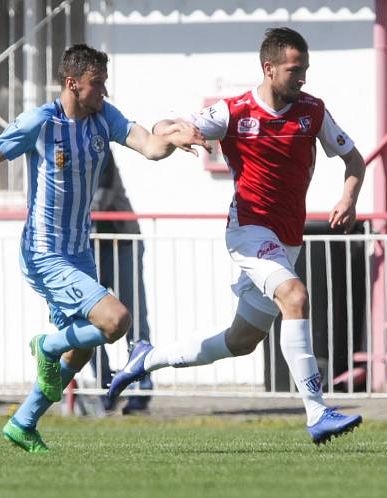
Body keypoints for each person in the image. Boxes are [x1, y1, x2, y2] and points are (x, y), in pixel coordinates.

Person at [107, 27, 366, 445]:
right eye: (294, 70)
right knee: (295, 297)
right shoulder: (234, 112)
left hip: (287, 240)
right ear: (268, 67)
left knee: (241, 340)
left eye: (305, 70)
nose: (302, 79)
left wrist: (348, 197)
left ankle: (146, 358)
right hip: (248, 230)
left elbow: (353, 158)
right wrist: (180, 135)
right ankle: (317, 412)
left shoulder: (313, 111)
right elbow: (163, 126)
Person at [0, 43, 209, 453]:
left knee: (84, 348)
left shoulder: (103, 117)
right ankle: (46, 345)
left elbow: (147, 145)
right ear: (73, 84)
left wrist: (174, 139)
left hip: (79, 253)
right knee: (117, 320)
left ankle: (23, 423)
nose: (104, 92)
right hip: (44, 252)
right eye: (97, 84)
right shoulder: (41, 121)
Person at [89, 154, 153, 414]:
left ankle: (141, 389)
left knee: (135, 317)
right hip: (87, 246)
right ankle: (106, 387)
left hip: (122, 241)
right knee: (88, 320)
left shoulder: (99, 148)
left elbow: (100, 199)